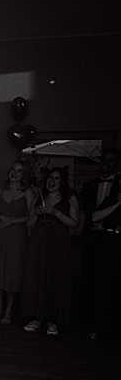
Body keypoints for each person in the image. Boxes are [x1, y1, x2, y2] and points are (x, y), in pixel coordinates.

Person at [21, 167, 80, 336]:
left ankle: (53, 321)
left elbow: (75, 224)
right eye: (49, 178)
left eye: (56, 178)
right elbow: (29, 225)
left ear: (62, 182)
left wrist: (55, 212)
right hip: (39, 242)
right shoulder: (39, 198)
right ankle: (37, 318)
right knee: (36, 276)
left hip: (58, 242)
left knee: (56, 278)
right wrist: (36, 213)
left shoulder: (70, 198)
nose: (51, 181)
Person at [0, 161, 33, 324]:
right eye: (13, 170)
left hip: (16, 235)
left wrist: (13, 221)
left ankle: (9, 311)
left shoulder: (28, 192)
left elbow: (31, 216)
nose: (15, 173)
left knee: (12, 272)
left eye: (19, 171)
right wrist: (1, 217)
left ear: (24, 175)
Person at [80, 146, 121, 340]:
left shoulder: (119, 187)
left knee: (108, 283)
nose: (106, 163)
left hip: (112, 241)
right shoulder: (88, 186)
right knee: (88, 276)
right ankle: (88, 322)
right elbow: (90, 213)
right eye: (104, 159)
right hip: (90, 238)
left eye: (111, 160)